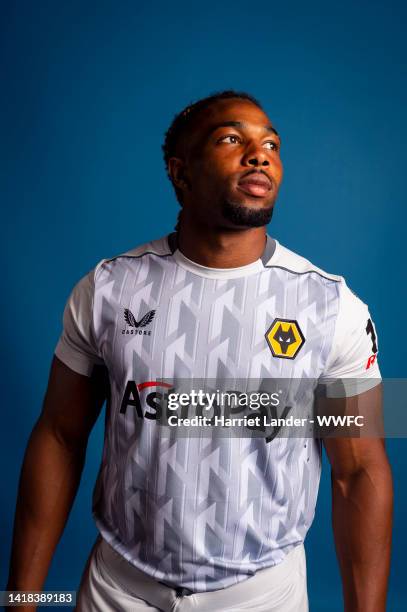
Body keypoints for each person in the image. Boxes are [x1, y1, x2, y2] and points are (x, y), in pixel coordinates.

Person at [7, 90, 393, 612]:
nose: (260, 154)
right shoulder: (108, 289)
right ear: (181, 173)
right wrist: (24, 599)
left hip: (263, 595)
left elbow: (360, 469)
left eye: (271, 144)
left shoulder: (332, 306)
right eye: (232, 139)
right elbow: (58, 435)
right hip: (120, 589)